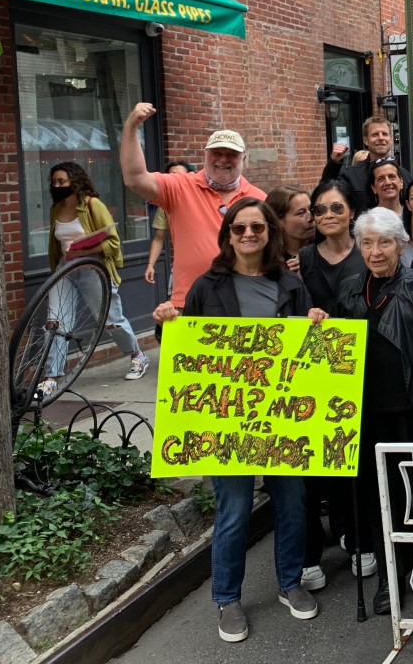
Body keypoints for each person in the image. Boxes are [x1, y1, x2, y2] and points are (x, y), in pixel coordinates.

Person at [180, 198, 326, 642]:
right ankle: (227, 598)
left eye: (257, 227)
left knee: (293, 502)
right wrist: (170, 325)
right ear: (228, 234)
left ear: (269, 233)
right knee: (234, 510)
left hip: (283, 416)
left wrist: (316, 323)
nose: (248, 234)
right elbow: (189, 354)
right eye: (240, 227)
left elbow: (309, 351)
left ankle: (290, 583)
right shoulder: (206, 287)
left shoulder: (290, 284)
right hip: (228, 419)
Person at [334, 208, 413, 614]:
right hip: (367, 412)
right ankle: (392, 575)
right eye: (367, 243)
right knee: (380, 495)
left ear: (401, 245)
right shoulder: (349, 289)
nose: (375, 251)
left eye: (384, 242)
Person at [120, 105, 267, 316]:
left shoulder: (259, 198)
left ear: (244, 159)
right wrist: (132, 126)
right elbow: (135, 179)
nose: (223, 159)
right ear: (205, 155)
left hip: (246, 300)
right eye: (217, 152)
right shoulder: (180, 187)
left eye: (231, 154)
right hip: (191, 301)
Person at [294, 180, 366, 592]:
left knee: (349, 463)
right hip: (313, 373)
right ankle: (310, 553)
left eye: (336, 208)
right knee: (312, 466)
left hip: (360, 369)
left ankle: (354, 539)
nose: (327, 216)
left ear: (351, 211)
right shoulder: (302, 259)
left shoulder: (366, 251)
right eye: (319, 210)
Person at [41, 161, 148, 396]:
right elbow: (56, 243)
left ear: (74, 182)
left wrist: (83, 251)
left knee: (111, 320)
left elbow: (113, 242)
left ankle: (137, 355)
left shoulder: (92, 204)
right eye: (54, 182)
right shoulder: (56, 208)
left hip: (92, 268)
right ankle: (52, 376)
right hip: (64, 270)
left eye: (61, 181)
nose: (56, 186)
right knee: (55, 322)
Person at [319, 116, 395, 215]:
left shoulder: (403, 175)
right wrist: (333, 162)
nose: (381, 138)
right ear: (366, 140)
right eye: (375, 134)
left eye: (384, 134)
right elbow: (325, 191)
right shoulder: (350, 176)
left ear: (390, 139)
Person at [144, 161, 192, 288]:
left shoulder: (203, 199)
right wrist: (151, 264)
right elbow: (158, 237)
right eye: (171, 177)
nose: (175, 180)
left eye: (180, 176)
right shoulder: (166, 205)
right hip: (183, 265)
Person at [266, 186, 315, 271]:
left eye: (311, 209)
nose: (311, 218)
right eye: (301, 213)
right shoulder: (268, 259)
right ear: (278, 221)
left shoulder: (324, 249)